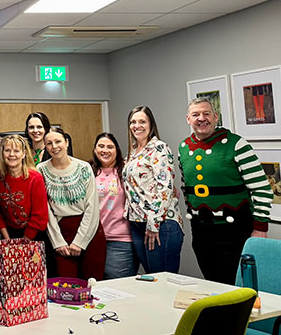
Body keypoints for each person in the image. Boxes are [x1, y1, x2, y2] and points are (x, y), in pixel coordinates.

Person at [179, 98, 273, 284]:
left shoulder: (236, 144)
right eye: (196, 114)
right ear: (188, 119)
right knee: (212, 282)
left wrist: (260, 227)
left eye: (206, 113)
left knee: (235, 284)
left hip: (234, 229)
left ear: (215, 117)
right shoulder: (184, 147)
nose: (201, 118)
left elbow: (262, 188)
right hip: (201, 229)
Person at [37, 127, 106, 280]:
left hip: (89, 232)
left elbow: (92, 207)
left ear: (66, 142)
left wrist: (80, 242)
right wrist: (58, 242)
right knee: (65, 286)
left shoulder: (84, 168)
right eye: (49, 143)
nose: (54, 146)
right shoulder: (40, 170)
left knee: (92, 285)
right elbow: (45, 209)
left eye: (58, 141)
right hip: (60, 232)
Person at [123, 106, 183, 275]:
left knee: (163, 280)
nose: (137, 126)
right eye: (133, 122)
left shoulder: (159, 148)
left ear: (151, 124)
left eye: (142, 121)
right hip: (137, 224)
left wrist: (153, 224)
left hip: (160, 224)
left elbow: (165, 188)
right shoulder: (134, 151)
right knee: (152, 279)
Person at [90, 133, 136, 279]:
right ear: (95, 149)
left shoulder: (127, 169)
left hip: (120, 240)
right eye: (101, 146)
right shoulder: (88, 170)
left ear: (117, 149)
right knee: (96, 286)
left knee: (117, 285)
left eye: (110, 147)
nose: (105, 150)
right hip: (93, 239)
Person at [0, 135, 48, 242]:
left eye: (16, 151)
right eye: (7, 150)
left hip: (34, 234)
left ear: (24, 154)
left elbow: (40, 215)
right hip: (8, 234)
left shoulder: (35, 178)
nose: (11, 155)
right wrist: (8, 239)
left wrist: (24, 241)